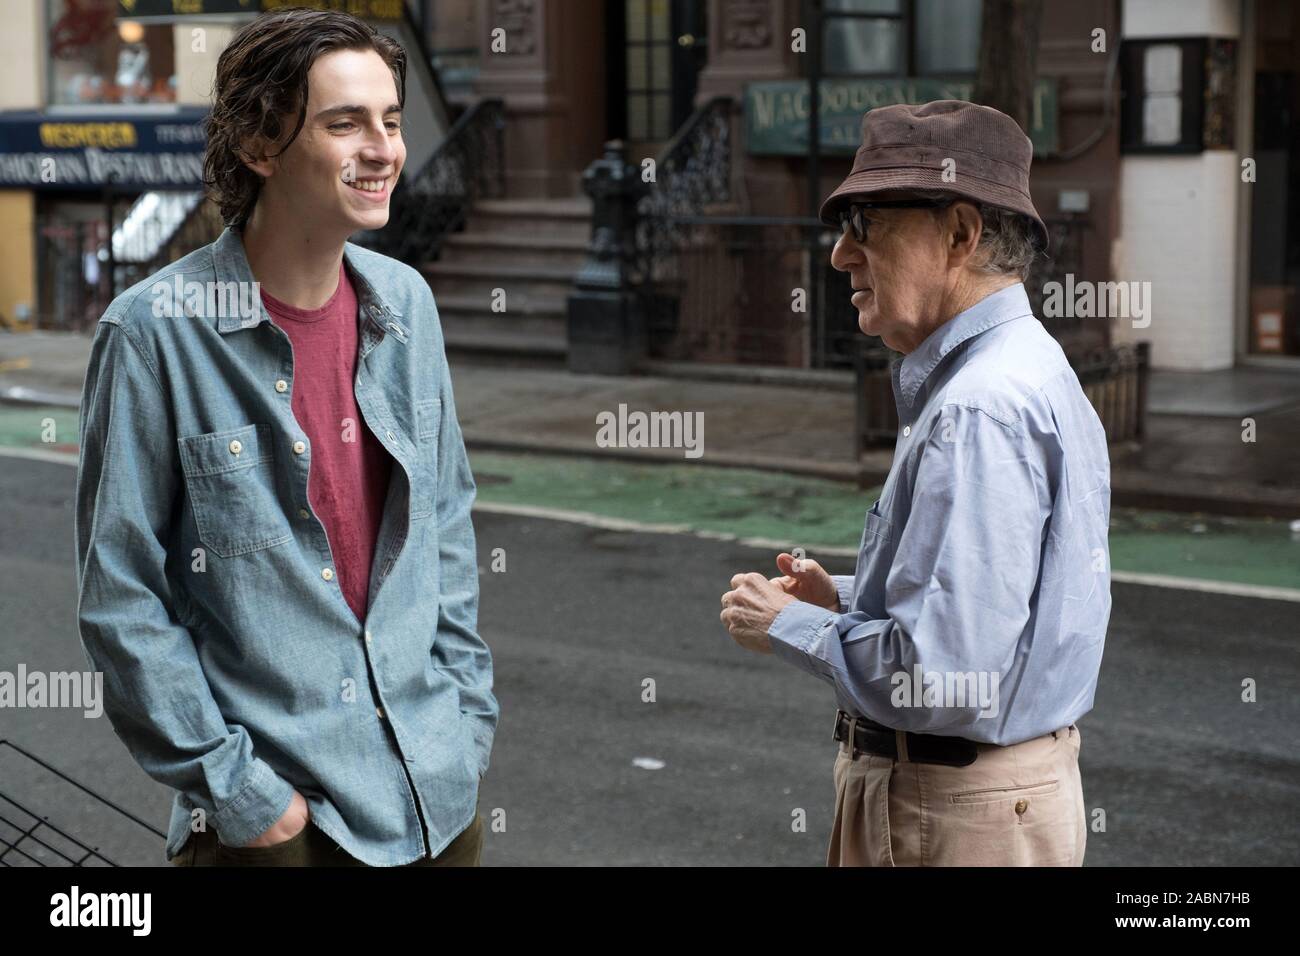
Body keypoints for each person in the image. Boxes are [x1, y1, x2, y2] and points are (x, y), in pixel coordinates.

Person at [73, 7, 497, 867]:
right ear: (261, 145)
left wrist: (465, 721)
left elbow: (445, 523)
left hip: (435, 800)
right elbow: (122, 597)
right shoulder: (153, 333)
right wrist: (240, 793)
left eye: (389, 119)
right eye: (344, 124)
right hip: (276, 830)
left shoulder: (406, 305)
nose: (383, 147)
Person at [720, 100, 1110, 866]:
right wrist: (848, 593)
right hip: (988, 800)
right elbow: (996, 605)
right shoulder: (1024, 367)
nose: (839, 256)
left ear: (961, 233)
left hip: (953, 813)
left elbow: (942, 678)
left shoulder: (979, 408)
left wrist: (789, 626)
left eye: (865, 224)